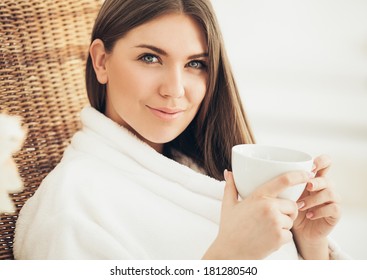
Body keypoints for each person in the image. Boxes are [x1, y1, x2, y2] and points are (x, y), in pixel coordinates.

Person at [14, 0, 346, 260]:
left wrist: (311, 246)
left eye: (195, 64)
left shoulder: (205, 168)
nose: (175, 90)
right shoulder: (71, 205)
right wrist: (228, 258)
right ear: (102, 62)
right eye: (149, 58)